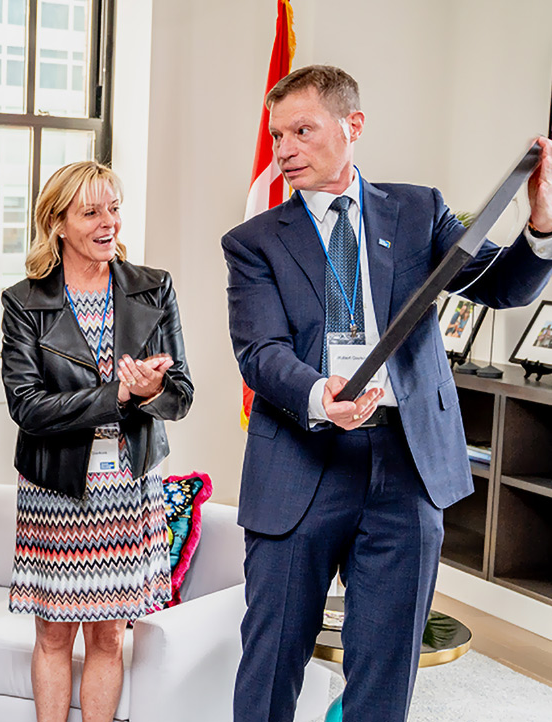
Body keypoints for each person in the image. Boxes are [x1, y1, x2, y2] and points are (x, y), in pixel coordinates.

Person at [223, 65, 552, 722]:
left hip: (406, 470)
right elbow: (260, 352)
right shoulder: (254, 242)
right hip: (300, 463)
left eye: (302, 130)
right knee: (271, 665)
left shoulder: (419, 212)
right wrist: (319, 393)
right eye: (278, 135)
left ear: (354, 125)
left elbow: (501, 286)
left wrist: (541, 225)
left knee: (386, 666)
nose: (285, 148)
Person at [0, 160, 193, 722]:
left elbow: (181, 396)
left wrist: (153, 391)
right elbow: (27, 407)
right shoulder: (23, 302)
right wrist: (119, 396)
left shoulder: (154, 288)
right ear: (57, 223)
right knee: (54, 637)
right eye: (90, 212)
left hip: (129, 491)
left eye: (114, 208)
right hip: (56, 490)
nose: (108, 222)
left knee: (109, 638)